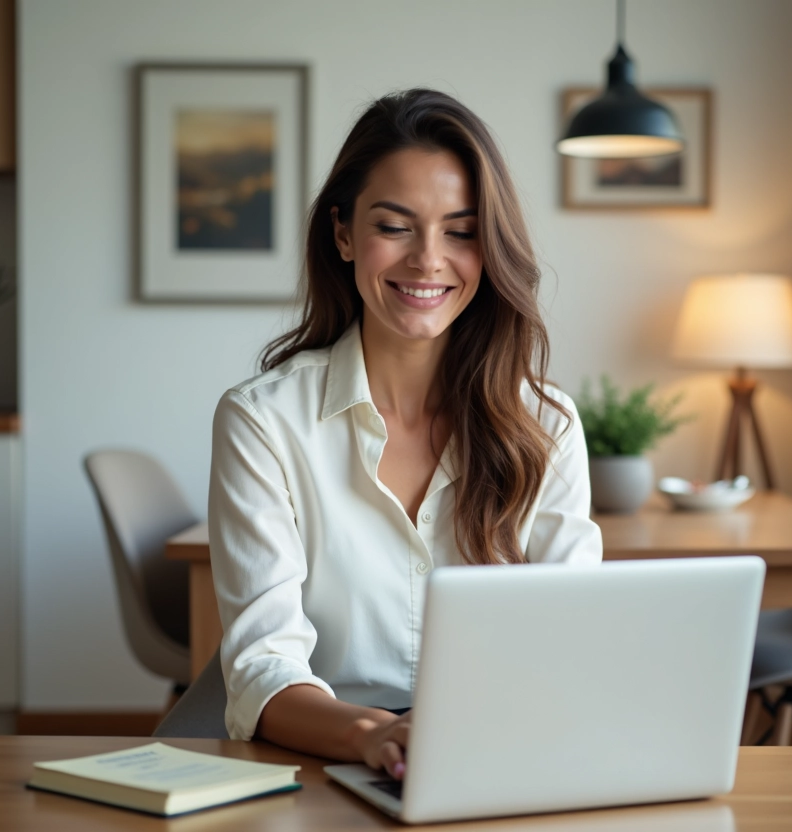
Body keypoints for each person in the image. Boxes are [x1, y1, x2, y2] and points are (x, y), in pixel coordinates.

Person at [208, 88, 602, 780]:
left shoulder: (547, 426)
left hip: (501, 759)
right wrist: (373, 738)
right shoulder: (263, 422)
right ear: (343, 234)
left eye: (460, 230)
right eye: (395, 226)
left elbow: (574, 641)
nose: (428, 260)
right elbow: (263, 667)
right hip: (325, 764)